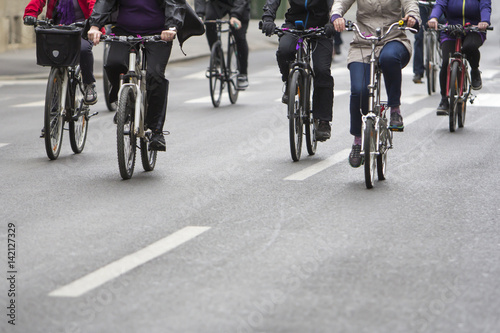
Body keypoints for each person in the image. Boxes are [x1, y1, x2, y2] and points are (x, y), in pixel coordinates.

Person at [87, 0, 204, 151]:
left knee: (155, 75)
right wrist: (95, 26)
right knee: (113, 64)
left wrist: (171, 27)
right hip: (124, 30)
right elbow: (105, 2)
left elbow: (174, 4)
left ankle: (156, 132)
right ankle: (123, 99)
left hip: (159, 33)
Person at [331, 0, 420, 168]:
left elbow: (410, 3)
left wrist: (412, 16)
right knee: (359, 90)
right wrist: (336, 15)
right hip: (362, 43)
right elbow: (341, 2)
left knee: (389, 58)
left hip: (393, 39)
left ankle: (395, 109)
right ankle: (358, 141)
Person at [261, 0, 336, 142]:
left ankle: (323, 122)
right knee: (285, 51)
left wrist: (332, 21)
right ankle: (289, 83)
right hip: (294, 24)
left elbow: (334, 3)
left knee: (322, 70)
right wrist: (268, 18)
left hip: (321, 27)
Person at [24, 0, 98, 105]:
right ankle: (55, 93)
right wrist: (30, 14)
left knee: (83, 50)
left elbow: (93, 3)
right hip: (57, 27)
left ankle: (89, 84)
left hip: (82, 28)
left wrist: (94, 23)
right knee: (55, 54)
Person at [427, 0, 491, 115]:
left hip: (474, 29)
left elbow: (485, 6)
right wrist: (434, 18)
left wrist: (484, 21)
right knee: (446, 61)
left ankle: (475, 70)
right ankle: (444, 100)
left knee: (469, 47)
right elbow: (440, 4)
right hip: (450, 29)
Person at [195, 0, 250, 89]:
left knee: (239, 36)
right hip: (217, 4)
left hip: (239, 4)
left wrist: (235, 15)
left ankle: (243, 74)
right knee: (209, 23)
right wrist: (199, 15)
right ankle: (217, 59)